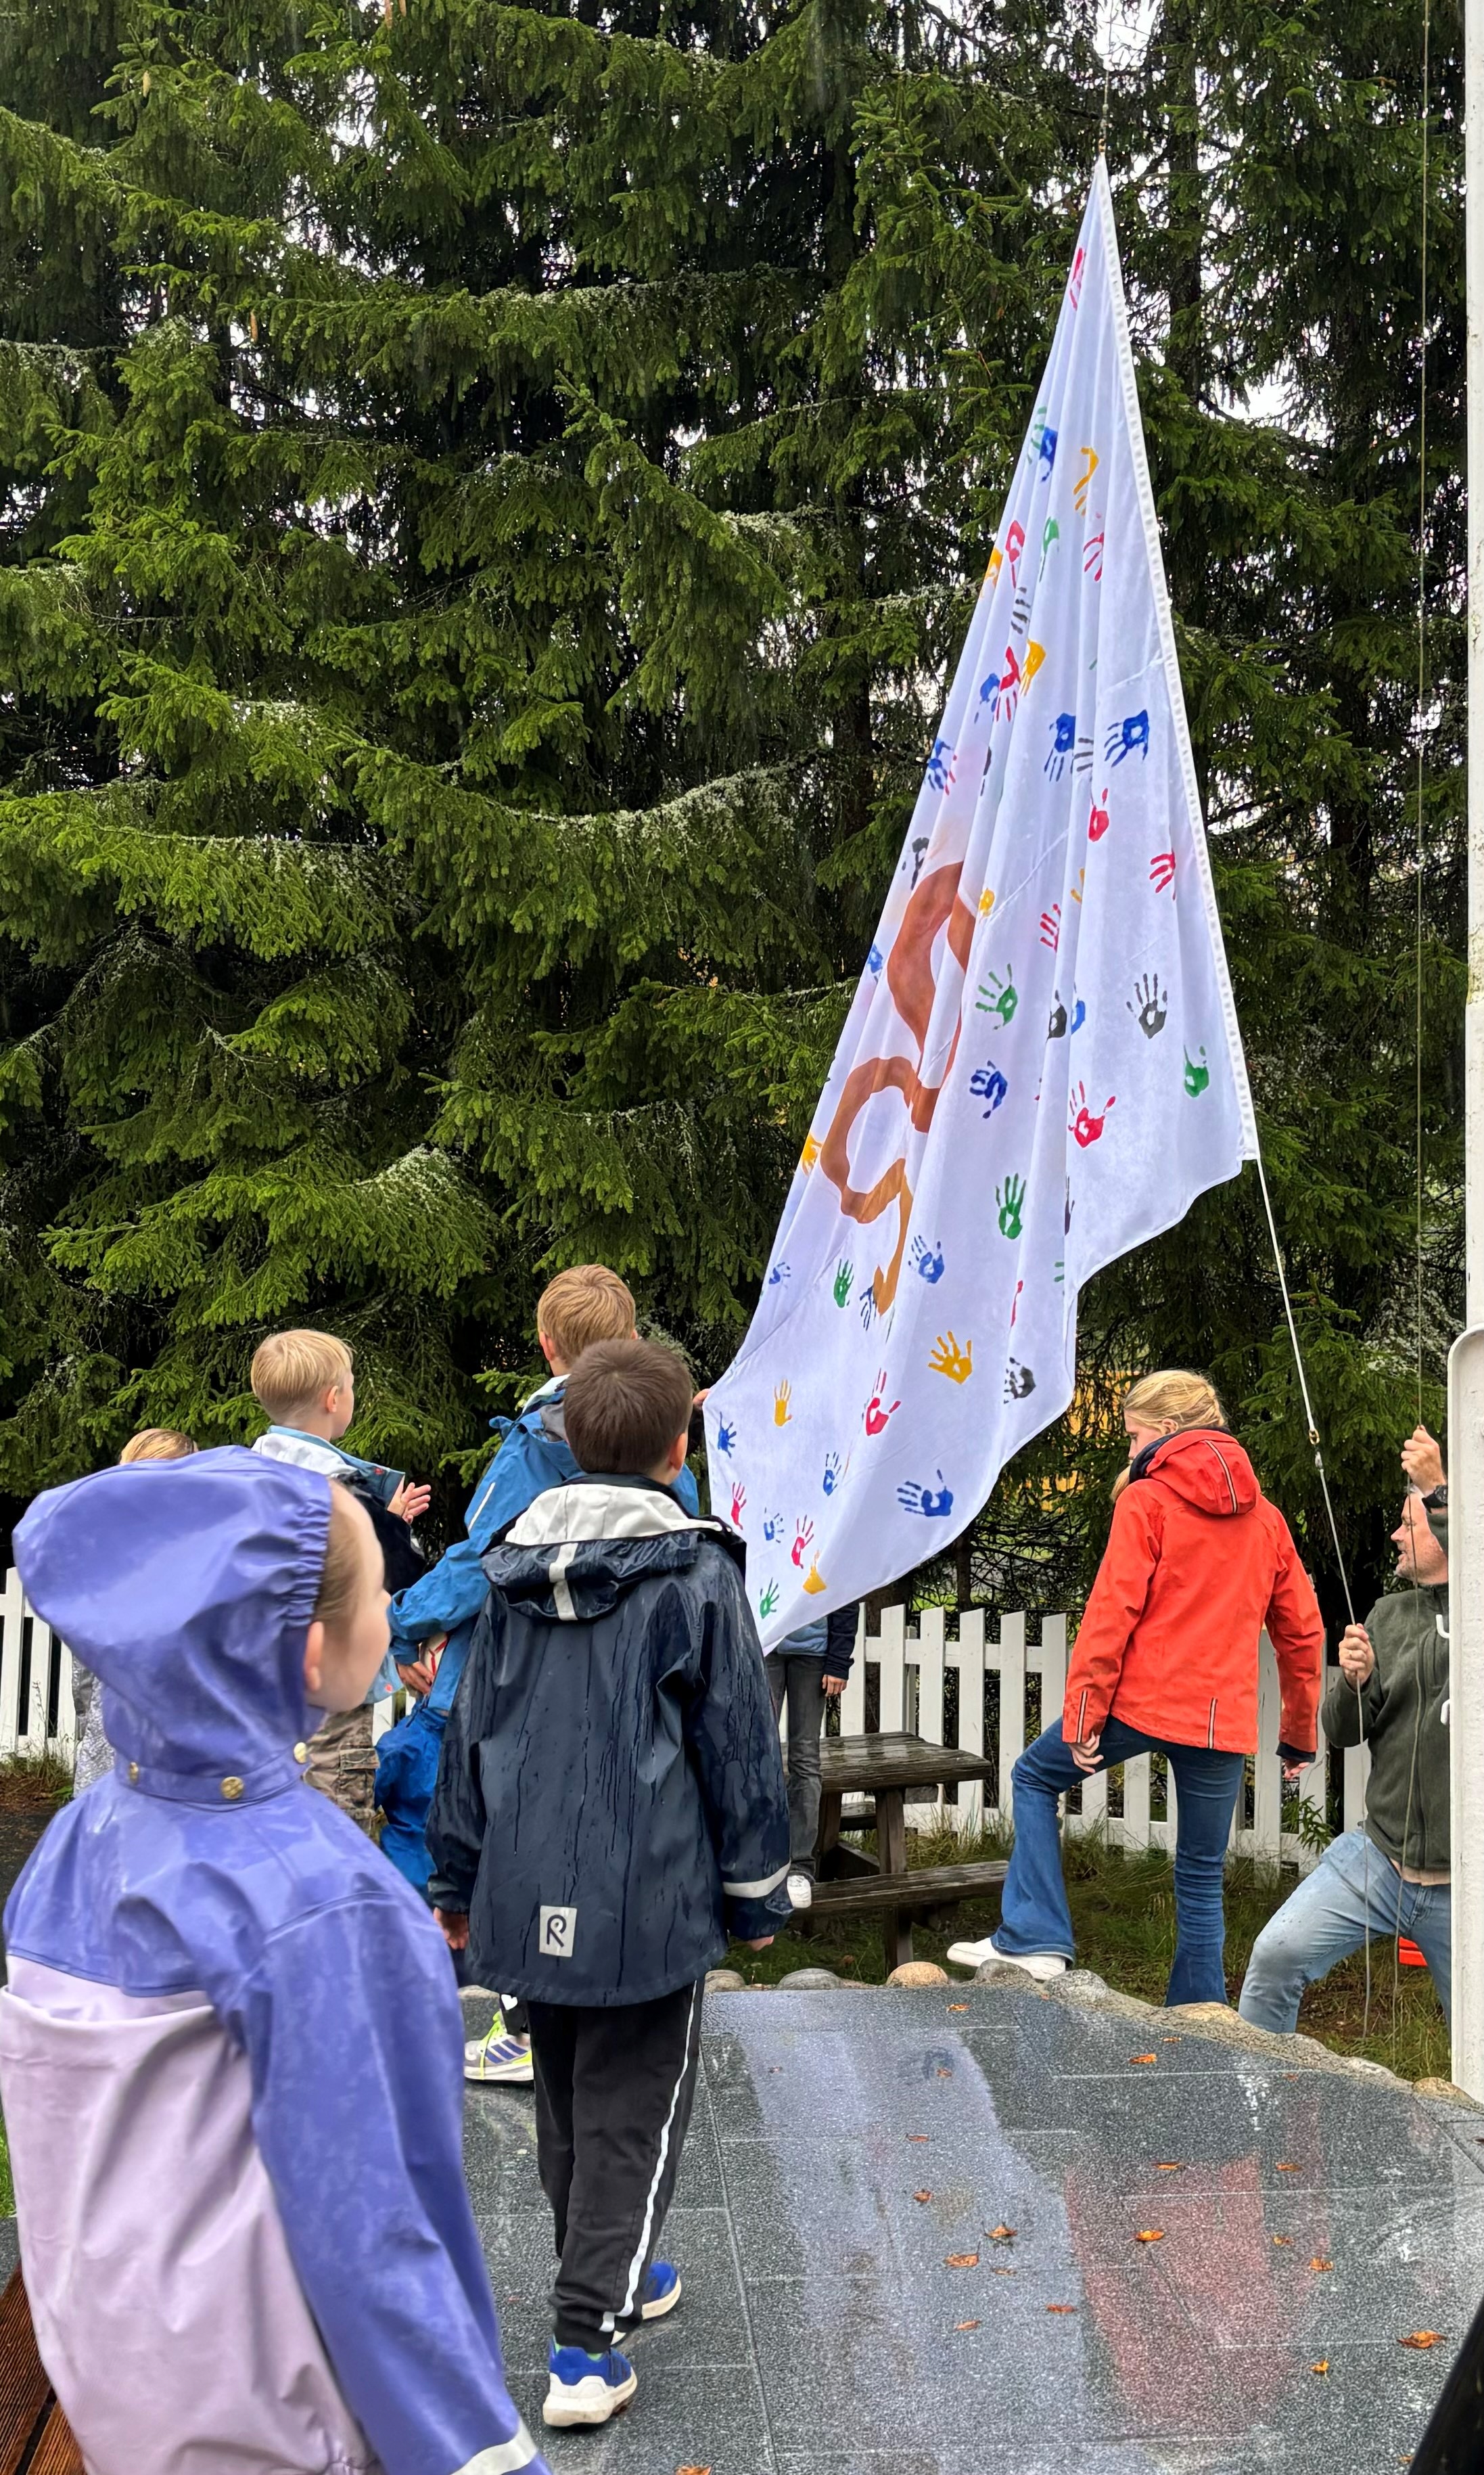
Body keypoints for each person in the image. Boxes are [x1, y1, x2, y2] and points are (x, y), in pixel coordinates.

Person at [0, 1448, 549, 2475]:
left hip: (130, 2394)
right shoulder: (322, 1899)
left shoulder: (82, 1839)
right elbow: (377, 2235)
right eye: (382, 1591)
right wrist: (483, 2453)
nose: (394, 1613)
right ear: (309, 1652)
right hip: (281, 2429)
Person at [427, 1336, 790, 2432]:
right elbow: (738, 1745)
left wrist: (453, 1876)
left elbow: (466, 1731)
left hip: (523, 1884)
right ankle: (585, 2345)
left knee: (570, 2095)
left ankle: (616, 2275)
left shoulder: (504, 1571)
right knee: (632, 2110)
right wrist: (758, 1891)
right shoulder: (695, 1572)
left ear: (567, 1440)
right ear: (679, 1447)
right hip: (648, 1895)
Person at [378, 1264, 701, 2087]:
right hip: (628, 1680)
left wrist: (401, 1618)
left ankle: (523, 2020)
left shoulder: (532, 1445)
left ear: (546, 1343)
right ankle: (610, 1995)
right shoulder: (665, 1446)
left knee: (517, 1837)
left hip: (525, 1676)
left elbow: (484, 1557)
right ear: (630, 1342)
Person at [947, 1369, 1324, 2005]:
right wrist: (1297, 1737)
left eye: (1133, 1435)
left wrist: (1084, 1715)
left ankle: (1035, 1935)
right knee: (1201, 1877)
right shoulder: (1268, 1521)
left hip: (1143, 1703)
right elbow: (1303, 1635)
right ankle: (1200, 2022)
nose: (1129, 1449)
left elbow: (1109, 1614)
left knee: (1034, 1778)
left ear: (1169, 1431)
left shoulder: (1145, 1502)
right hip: (1220, 1722)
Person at [1238, 1480, 1452, 2031]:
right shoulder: (1388, 1614)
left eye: (1410, 1523)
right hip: (1380, 1859)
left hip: (1467, 1887)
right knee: (1275, 1957)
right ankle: (1256, 2104)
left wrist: (1436, 1485)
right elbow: (1342, 1731)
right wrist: (1355, 1684)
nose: (1395, 1535)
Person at [250, 1328, 430, 1830]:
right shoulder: (342, 1485)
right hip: (332, 1687)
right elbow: (377, 1577)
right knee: (337, 1826)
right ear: (335, 1399)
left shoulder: (246, 1474)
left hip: (263, 1686)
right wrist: (390, 1527)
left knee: (269, 1820)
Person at [71, 1428, 198, 1794]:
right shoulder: (199, 1552)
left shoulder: (102, 1551)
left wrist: (89, 1724)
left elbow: (84, 1662)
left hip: (110, 1739)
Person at [763, 1604, 859, 1909]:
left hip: (814, 1654)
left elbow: (846, 1592)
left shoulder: (827, 1551)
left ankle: (800, 1868)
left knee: (805, 1759)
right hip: (765, 1646)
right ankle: (758, 1862)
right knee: (759, 1758)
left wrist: (839, 1661)